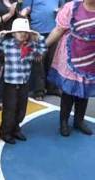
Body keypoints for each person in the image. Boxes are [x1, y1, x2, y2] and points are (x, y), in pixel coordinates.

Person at [46, 0, 95, 137]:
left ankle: (79, 121)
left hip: (90, 59)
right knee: (68, 92)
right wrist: (43, 46)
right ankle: (63, 122)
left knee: (84, 91)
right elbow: (58, 29)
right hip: (70, 56)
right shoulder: (72, 7)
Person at [0, 18, 47, 144]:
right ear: (13, 33)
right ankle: (5, 132)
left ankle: (16, 128)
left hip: (24, 82)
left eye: (25, 32)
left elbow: (42, 51)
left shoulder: (31, 46)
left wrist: (39, 38)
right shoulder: (7, 44)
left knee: (21, 108)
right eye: (19, 32)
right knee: (9, 109)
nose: (22, 34)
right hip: (10, 83)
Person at [0, 0, 31, 110]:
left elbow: (19, 23)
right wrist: (10, 14)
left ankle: (8, 98)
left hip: (13, 41)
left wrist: (23, 15)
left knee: (10, 69)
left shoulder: (14, 2)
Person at [22, 0, 65, 100]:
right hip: (37, 31)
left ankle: (52, 87)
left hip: (54, 31)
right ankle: (39, 91)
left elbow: (62, 7)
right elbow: (25, 12)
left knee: (53, 60)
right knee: (38, 62)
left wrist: (60, 11)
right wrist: (28, 32)